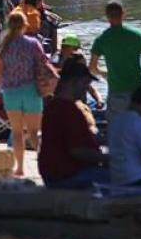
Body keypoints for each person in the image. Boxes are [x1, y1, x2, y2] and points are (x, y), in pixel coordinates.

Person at [0, 11, 50, 177]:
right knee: (34, 133)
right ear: (25, 26)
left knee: (17, 132)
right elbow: (44, 63)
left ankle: (20, 168)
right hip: (32, 91)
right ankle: (45, 165)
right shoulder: (33, 43)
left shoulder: (3, 46)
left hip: (11, 93)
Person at [39, 59, 109, 189]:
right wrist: (108, 159)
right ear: (73, 82)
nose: (85, 90)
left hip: (53, 173)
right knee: (123, 177)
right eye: (84, 85)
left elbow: (80, 138)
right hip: (66, 175)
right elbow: (78, 151)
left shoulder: (54, 105)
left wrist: (108, 140)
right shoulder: (68, 110)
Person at [89, 0, 141, 119]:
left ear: (107, 16)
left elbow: (92, 69)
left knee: (115, 129)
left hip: (116, 93)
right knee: (138, 125)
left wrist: (104, 73)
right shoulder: (136, 35)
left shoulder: (102, 39)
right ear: (123, 14)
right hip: (137, 92)